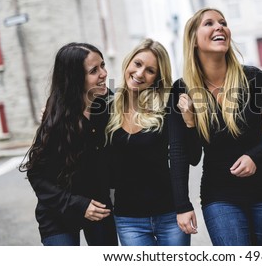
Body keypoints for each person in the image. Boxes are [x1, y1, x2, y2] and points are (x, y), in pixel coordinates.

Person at [168, 7, 262, 246]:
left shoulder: (253, 78)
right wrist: (189, 123)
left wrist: (256, 155)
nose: (219, 27)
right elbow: (185, 154)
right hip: (220, 196)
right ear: (193, 40)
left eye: (223, 22)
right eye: (209, 23)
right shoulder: (181, 90)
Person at [20, 42, 118, 246]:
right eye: (94, 70)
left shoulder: (110, 104)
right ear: (75, 78)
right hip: (59, 211)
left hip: (99, 206)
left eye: (102, 65)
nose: (104, 73)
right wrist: (78, 205)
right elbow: (36, 175)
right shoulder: (56, 119)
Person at [105, 38, 191, 246]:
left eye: (150, 70)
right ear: (128, 62)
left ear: (157, 78)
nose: (140, 73)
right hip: (128, 219)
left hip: (170, 214)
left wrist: (190, 122)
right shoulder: (107, 106)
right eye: (138, 64)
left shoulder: (166, 105)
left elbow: (189, 156)